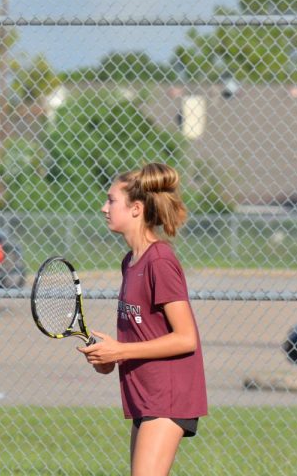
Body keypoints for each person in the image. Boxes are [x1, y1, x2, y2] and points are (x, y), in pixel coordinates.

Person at [79, 162, 207, 476]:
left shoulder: (159, 261)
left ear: (136, 208)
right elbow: (143, 335)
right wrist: (110, 358)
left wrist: (120, 351)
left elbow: (185, 337)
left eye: (111, 200)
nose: (103, 207)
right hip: (144, 395)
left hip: (168, 396)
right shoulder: (131, 261)